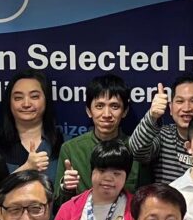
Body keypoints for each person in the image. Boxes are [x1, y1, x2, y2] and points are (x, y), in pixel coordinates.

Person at [56, 74, 149, 206]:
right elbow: (58, 207)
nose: (106, 114)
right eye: (99, 106)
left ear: (125, 111)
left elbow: (145, 201)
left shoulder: (136, 148)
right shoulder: (71, 149)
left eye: (114, 106)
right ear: (89, 111)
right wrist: (66, 189)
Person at [128, 75, 193, 184]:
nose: (186, 108)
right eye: (180, 101)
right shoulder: (163, 136)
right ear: (170, 108)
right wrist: (152, 116)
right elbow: (136, 151)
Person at [0, 69, 64, 183]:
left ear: (46, 100)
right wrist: (26, 167)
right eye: (18, 98)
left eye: (34, 97)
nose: (26, 104)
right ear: (9, 103)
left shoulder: (65, 144)